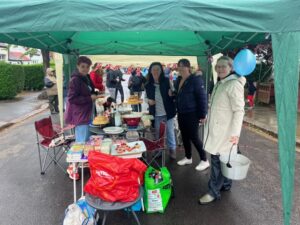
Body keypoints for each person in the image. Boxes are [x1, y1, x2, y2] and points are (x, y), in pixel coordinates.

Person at [199, 56, 246, 204]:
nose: (219, 69)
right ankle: (225, 184)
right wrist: (209, 116)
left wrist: (235, 134)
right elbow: (220, 107)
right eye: (217, 66)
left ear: (231, 67)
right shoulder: (222, 82)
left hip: (225, 133)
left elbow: (239, 111)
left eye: (223, 66)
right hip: (219, 129)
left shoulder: (233, 84)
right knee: (225, 161)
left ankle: (213, 192)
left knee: (217, 162)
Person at [65, 56, 101, 180]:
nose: (85, 69)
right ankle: (72, 167)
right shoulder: (75, 80)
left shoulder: (85, 77)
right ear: (78, 66)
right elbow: (72, 98)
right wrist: (89, 98)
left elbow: (92, 90)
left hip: (87, 113)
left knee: (86, 140)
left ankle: (83, 162)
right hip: (80, 115)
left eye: (87, 67)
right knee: (80, 142)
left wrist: (96, 94)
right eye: (83, 67)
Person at [175, 59, 209, 171]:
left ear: (188, 67)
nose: (180, 68)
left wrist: (203, 114)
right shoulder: (179, 79)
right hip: (181, 112)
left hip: (192, 113)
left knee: (194, 137)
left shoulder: (195, 80)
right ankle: (188, 157)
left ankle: (204, 160)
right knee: (184, 136)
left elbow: (202, 98)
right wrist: (173, 94)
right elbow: (179, 94)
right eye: (179, 66)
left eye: (183, 66)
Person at [144, 62, 177, 159]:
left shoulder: (167, 81)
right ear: (150, 71)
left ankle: (172, 150)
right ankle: (159, 151)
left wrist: (172, 93)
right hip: (156, 113)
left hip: (168, 112)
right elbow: (145, 97)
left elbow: (174, 91)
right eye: (153, 69)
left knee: (170, 132)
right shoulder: (148, 84)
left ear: (161, 71)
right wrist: (148, 101)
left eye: (158, 69)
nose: (155, 71)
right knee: (158, 133)